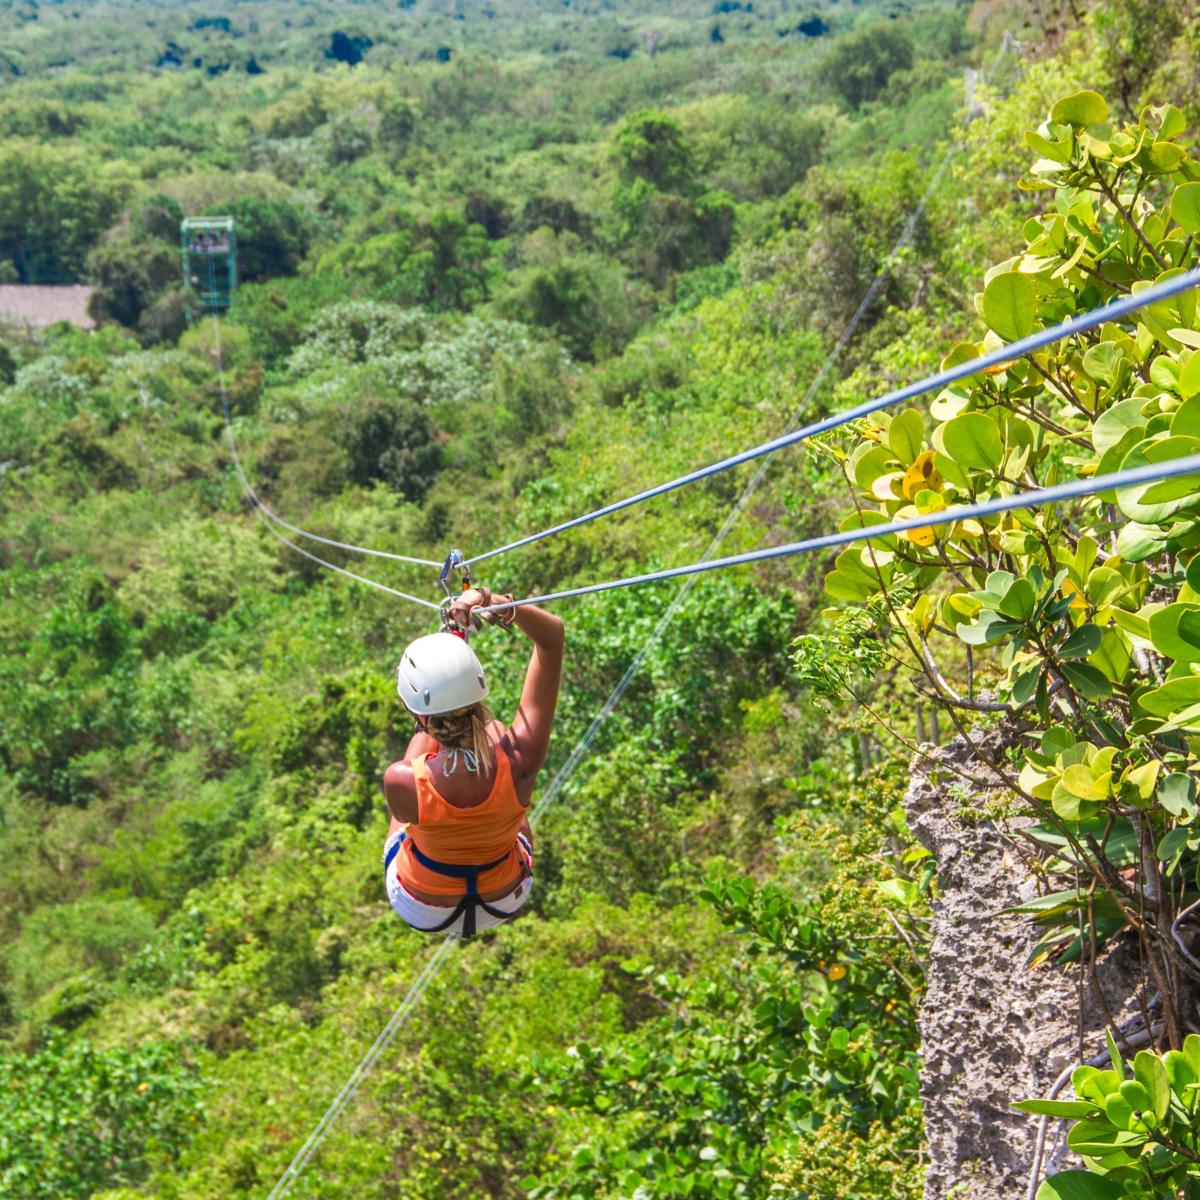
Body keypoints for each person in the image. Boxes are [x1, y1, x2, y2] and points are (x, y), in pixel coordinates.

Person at [382, 586, 564, 937]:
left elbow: (428, 753)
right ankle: (502, 808)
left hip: (423, 904)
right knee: (495, 736)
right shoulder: (519, 756)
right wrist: (492, 602)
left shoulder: (401, 779)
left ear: (416, 712)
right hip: (505, 895)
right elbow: (551, 637)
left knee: (408, 813)